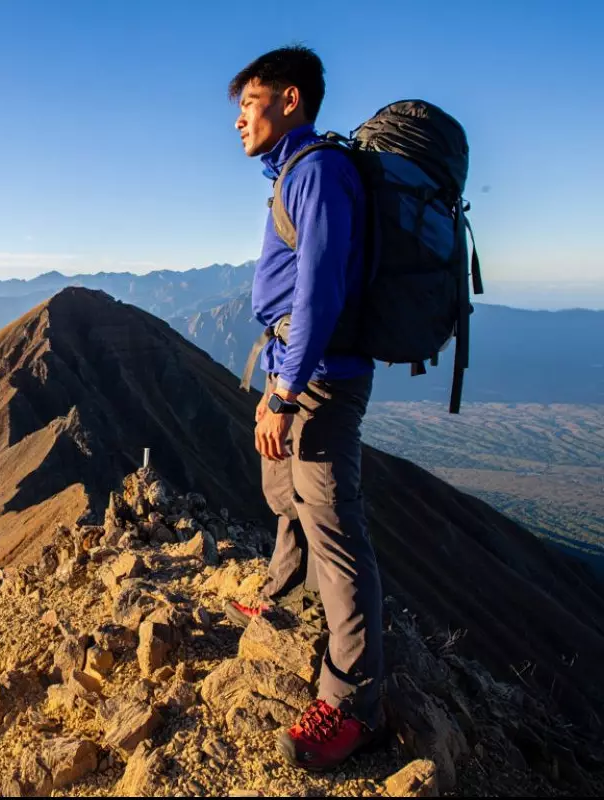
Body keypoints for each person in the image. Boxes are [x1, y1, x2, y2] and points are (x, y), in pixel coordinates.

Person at [226, 46, 384, 771]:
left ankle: (353, 701)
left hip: (318, 376)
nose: (238, 120)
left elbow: (320, 288)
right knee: (282, 488)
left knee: (334, 525)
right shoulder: (294, 172)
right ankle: (284, 598)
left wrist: (287, 394)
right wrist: (281, 382)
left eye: (249, 103)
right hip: (296, 366)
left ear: (291, 99)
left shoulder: (316, 171)